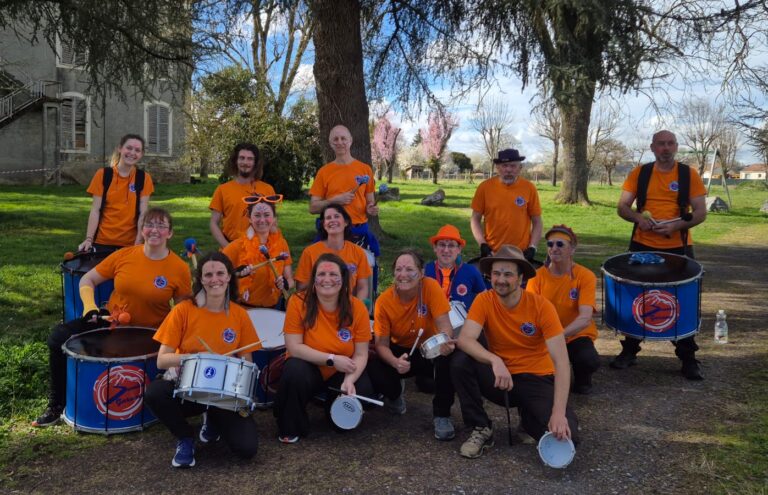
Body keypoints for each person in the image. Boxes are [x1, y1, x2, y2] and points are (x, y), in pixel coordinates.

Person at [33, 208, 191, 427]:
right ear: (142, 229)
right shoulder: (124, 255)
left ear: (170, 233)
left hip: (151, 332)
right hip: (112, 323)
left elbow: (183, 308)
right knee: (58, 337)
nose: (154, 230)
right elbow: (87, 280)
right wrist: (90, 307)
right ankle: (56, 405)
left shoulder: (179, 268)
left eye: (161, 225)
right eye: (149, 224)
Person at [451, 245, 579, 459]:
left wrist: (558, 413)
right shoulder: (484, 300)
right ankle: (480, 427)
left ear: (520, 279)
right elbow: (465, 339)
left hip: (536, 377)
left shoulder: (541, 306)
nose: (501, 279)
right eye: (496, 273)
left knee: (568, 438)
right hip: (501, 378)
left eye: (508, 274)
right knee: (460, 361)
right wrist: (494, 360)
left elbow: (562, 362)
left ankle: (529, 419)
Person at [145, 252, 261, 468]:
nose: (214, 279)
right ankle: (185, 437)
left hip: (223, 393)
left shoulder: (240, 315)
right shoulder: (183, 310)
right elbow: (162, 360)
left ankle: (214, 416)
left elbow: (248, 363)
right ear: (200, 279)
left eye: (220, 273)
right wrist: (193, 358)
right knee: (155, 393)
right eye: (208, 275)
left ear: (229, 277)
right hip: (187, 388)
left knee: (246, 449)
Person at [613, 129, 707, 380]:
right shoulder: (640, 173)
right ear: (652, 147)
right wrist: (638, 219)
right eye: (661, 144)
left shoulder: (689, 175)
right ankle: (629, 350)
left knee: (683, 301)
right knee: (637, 297)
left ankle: (688, 358)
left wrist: (676, 226)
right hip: (642, 245)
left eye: (670, 143)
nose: (666, 148)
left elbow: (700, 212)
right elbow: (622, 206)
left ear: (676, 146)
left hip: (679, 247)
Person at [275, 253, 374, 443]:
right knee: (294, 370)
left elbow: (361, 354)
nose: (326, 279)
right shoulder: (297, 302)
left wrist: (350, 380)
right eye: (321, 274)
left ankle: (331, 403)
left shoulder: (357, 307)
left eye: (333, 274)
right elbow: (294, 347)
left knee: (360, 393)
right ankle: (291, 424)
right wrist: (332, 359)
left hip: (341, 371)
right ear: (314, 279)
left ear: (343, 279)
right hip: (309, 367)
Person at [367, 249, 457, 441]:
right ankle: (394, 394)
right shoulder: (383, 301)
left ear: (421, 272)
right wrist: (395, 362)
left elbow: (445, 326)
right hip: (399, 350)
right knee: (373, 362)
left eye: (409, 269)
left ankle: (442, 415)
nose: (403, 274)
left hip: (428, 348)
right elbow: (381, 344)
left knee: (448, 358)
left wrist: (445, 342)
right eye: (399, 269)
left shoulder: (431, 287)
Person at [526, 225, 600, 394]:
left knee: (588, 360)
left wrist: (558, 335)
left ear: (572, 249)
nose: (554, 248)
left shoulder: (585, 276)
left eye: (560, 244)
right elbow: (529, 313)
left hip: (575, 335)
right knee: (542, 382)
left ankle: (582, 379)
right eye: (550, 244)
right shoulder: (536, 277)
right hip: (546, 336)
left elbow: (585, 318)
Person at [308, 125, 380, 278]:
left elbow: (370, 202)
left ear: (350, 141)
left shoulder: (365, 170)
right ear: (330, 143)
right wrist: (335, 201)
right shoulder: (324, 172)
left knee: (361, 278)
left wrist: (371, 209)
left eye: (343, 138)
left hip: (359, 233)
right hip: (332, 233)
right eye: (335, 139)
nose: (340, 142)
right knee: (329, 275)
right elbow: (313, 207)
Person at [78, 134, 154, 253]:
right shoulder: (103, 175)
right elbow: (95, 210)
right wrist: (89, 239)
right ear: (120, 148)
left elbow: (143, 214)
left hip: (130, 244)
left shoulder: (144, 178)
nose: (132, 153)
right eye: (129, 148)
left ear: (141, 154)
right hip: (102, 242)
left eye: (137, 150)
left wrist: (138, 241)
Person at [470, 148, 542, 261]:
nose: (508, 170)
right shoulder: (484, 188)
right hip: (492, 252)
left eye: (513, 166)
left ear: (520, 168)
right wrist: (482, 244)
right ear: (497, 168)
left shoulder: (529, 188)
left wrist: (532, 247)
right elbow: (475, 219)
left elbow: (537, 221)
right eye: (504, 166)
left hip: (521, 253)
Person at [222, 195, 293, 308]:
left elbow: (290, 280)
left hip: (274, 309)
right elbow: (218, 276)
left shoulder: (282, 244)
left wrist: (284, 284)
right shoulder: (236, 247)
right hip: (243, 310)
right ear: (249, 218)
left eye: (267, 215)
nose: (262, 220)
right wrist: (238, 274)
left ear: (274, 218)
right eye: (257, 215)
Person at [294, 204, 372, 301]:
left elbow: (362, 287)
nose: (332, 220)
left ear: (346, 222)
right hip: (316, 305)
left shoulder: (358, 252)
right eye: (328, 218)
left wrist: (356, 307)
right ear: (323, 224)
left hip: (347, 306)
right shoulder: (310, 252)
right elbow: (301, 288)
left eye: (336, 216)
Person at [210, 143, 277, 248]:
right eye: (242, 158)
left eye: (250, 159)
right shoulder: (222, 190)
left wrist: (273, 247)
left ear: (255, 163)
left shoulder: (267, 189)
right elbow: (213, 223)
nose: (245, 162)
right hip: (230, 246)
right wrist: (228, 247)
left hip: (260, 249)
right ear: (235, 161)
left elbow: (273, 223)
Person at [424, 224, 487, 310]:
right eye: (442, 245)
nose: (446, 250)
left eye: (451, 245)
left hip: (462, 318)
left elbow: (485, 300)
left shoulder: (471, 271)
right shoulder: (425, 272)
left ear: (459, 249)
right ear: (435, 247)